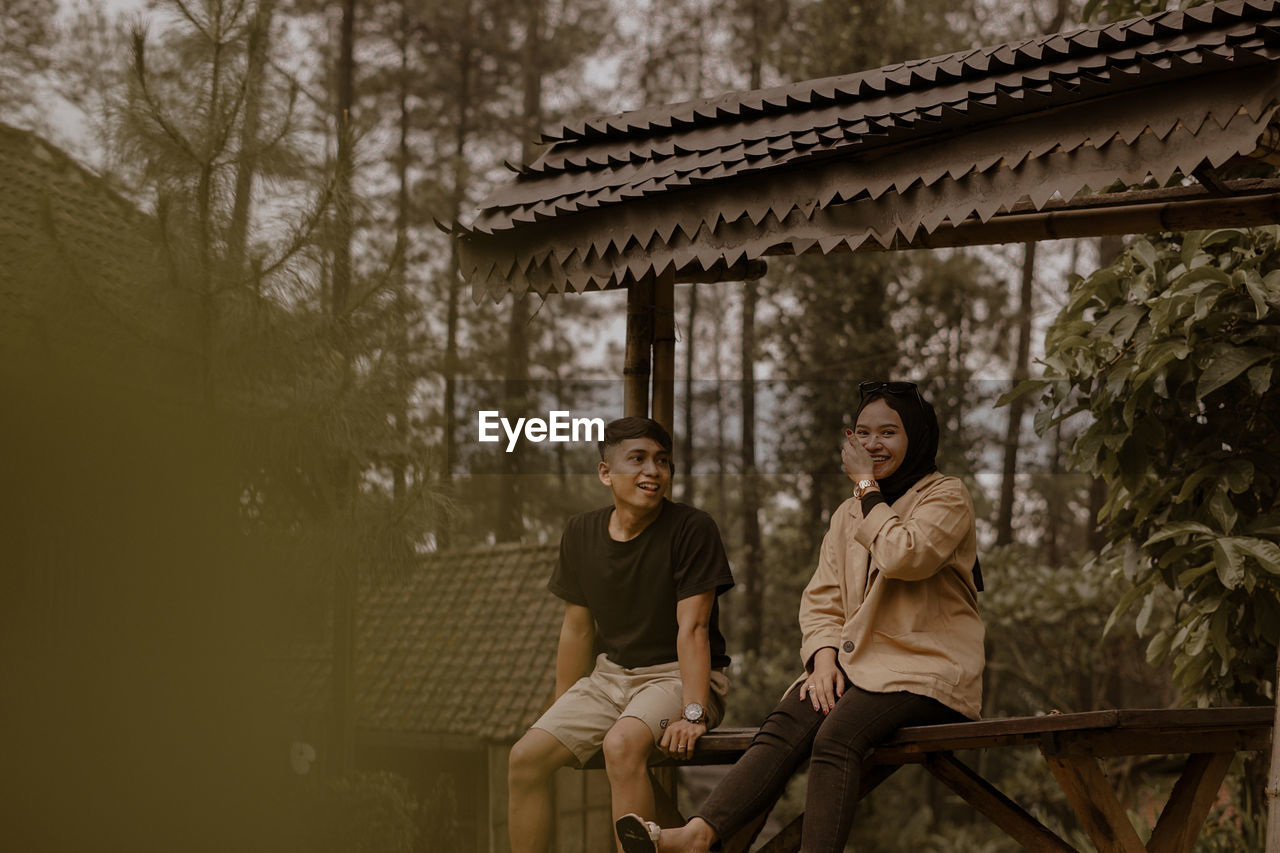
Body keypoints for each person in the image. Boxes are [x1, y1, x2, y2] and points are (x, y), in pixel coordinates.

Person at [616, 380, 984, 853]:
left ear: (916, 436)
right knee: (783, 726)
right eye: (862, 433)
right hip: (858, 668)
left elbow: (904, 556)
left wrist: (866, 486)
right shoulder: (847, 515)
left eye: (888, 433)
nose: (872, 444)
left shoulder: (946, 496)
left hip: (928, 668)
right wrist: (824, 659)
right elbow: (822, 600)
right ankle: (697, 834)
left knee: (836, 740)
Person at [508, 416, 735, 853]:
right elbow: (576, 631)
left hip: (679, 676)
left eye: (662, 461)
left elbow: (694, 628)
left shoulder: (692, 528)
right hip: (608, 679)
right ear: (605, 473)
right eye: (638, 459)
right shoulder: (580, 533)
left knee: (621, 744)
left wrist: (693, 712)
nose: (653, 470)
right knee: (525, 759)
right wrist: (561, 709)